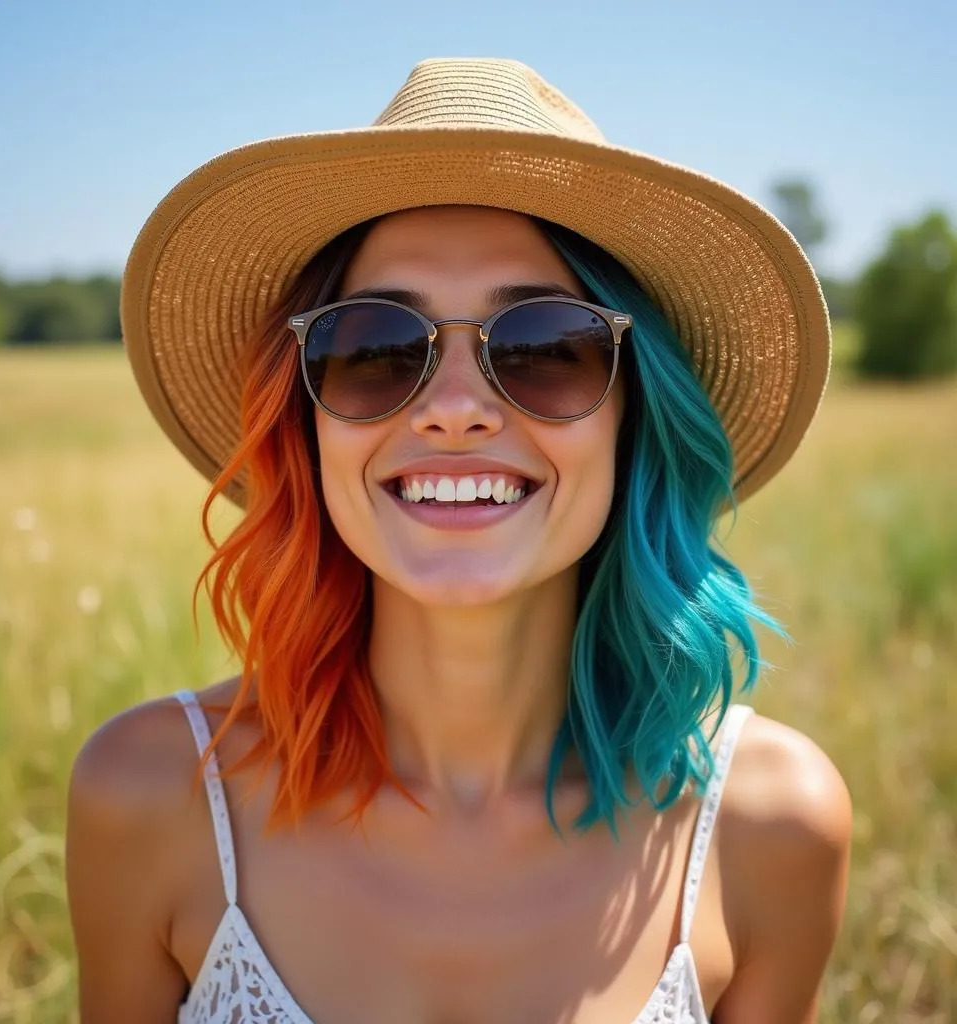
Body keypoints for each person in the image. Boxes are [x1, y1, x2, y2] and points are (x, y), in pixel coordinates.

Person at [65, 58, 852, 1024]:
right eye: (373, 348)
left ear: (635, 417)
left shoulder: (768, 825)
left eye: (546, 347)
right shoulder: (150, 796)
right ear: (307, 427)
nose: (454, 411)